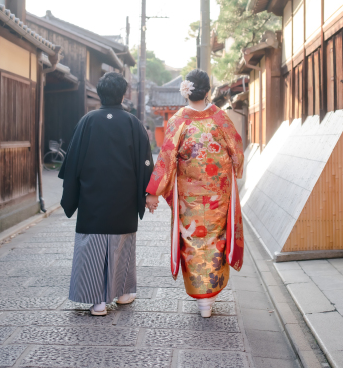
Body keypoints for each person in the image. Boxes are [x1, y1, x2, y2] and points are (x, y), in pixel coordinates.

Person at [146, 69, 245, 317]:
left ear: (186, 91)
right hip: (217, 196)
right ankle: (209, 298)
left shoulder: (179, 120)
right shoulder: (220, 118)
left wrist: (154, 192)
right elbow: (237, 151)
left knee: (192, 240)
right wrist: (233, 169)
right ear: (208, 91)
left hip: (188, 198)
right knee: (215, 239)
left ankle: (201, 299)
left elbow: (166, 159)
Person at [59, 72, 155, 316]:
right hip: (124, 198)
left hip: (92, 197)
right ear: (123, 94)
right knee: (121, 245)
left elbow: (72, 163)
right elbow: (145, 162)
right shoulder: (134, 123)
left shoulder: (87, 121)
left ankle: (97, 302)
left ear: (100, 93)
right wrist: (148, 193)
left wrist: (73, 191)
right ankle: (122, 293)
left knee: (92, 245)